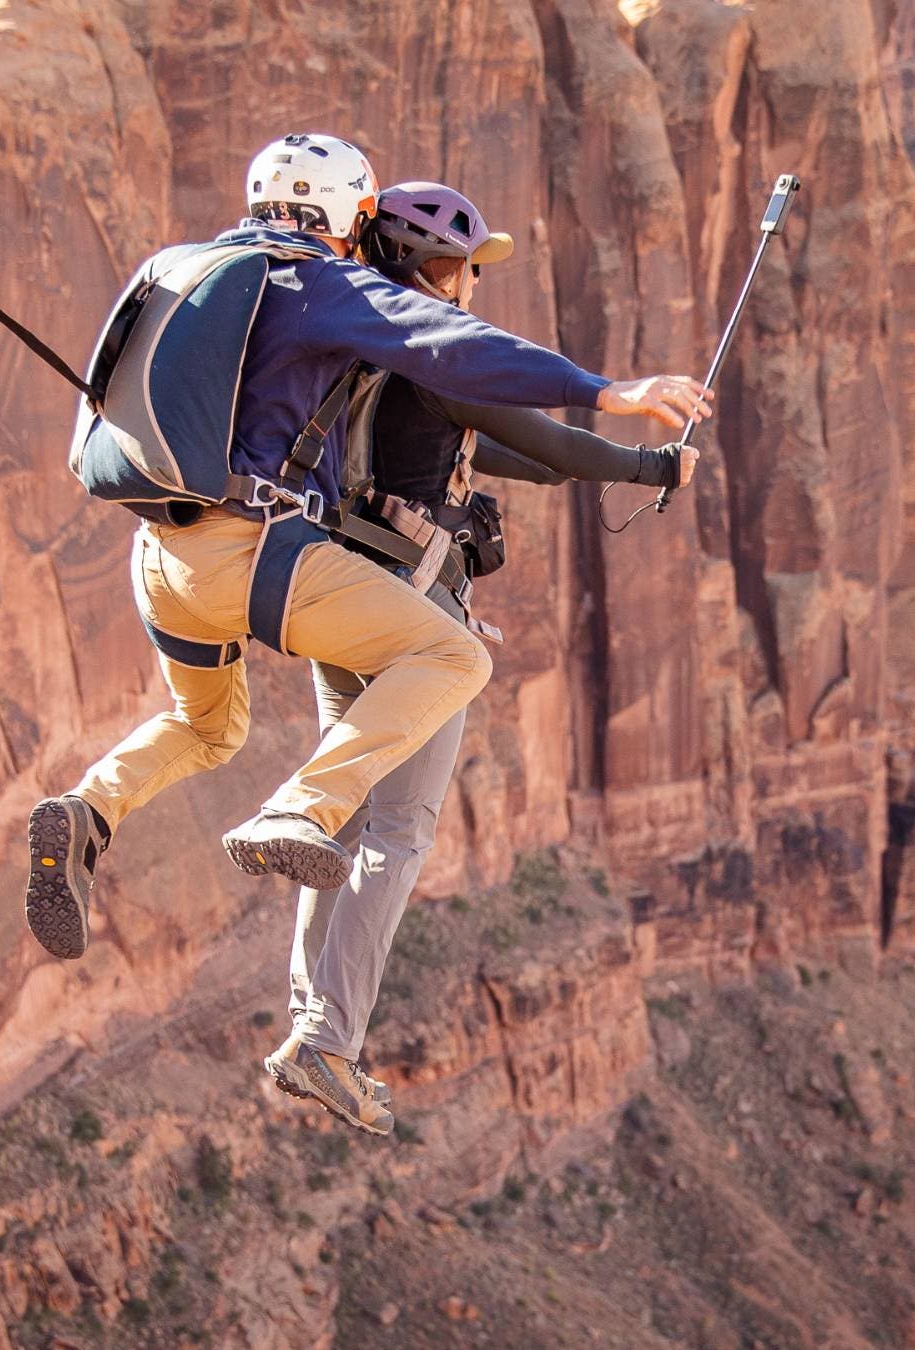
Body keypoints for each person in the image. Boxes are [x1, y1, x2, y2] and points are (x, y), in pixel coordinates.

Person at [24, 135, 710, 964]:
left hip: (161, 559)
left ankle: (87, 811)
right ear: (343, 212)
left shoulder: (184, 269)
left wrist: (622, 461)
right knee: (453, 658)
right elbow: (448, 342)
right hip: (253, 555)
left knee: (206, 727)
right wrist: (607, 392)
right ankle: (302, 809)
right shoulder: (313, 281)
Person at [266, 181, 701, 1135]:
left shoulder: (360, 355)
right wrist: (648, 463)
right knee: (401, 829)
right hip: (414, 614)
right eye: (465, 265)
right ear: (428, 265)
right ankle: (328, 1040)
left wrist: (610, 462)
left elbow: (534, 459)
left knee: (341, 822)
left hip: (340, 600)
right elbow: (544, 433)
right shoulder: (432, 351)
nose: (472, 283)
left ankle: (312, 1021)